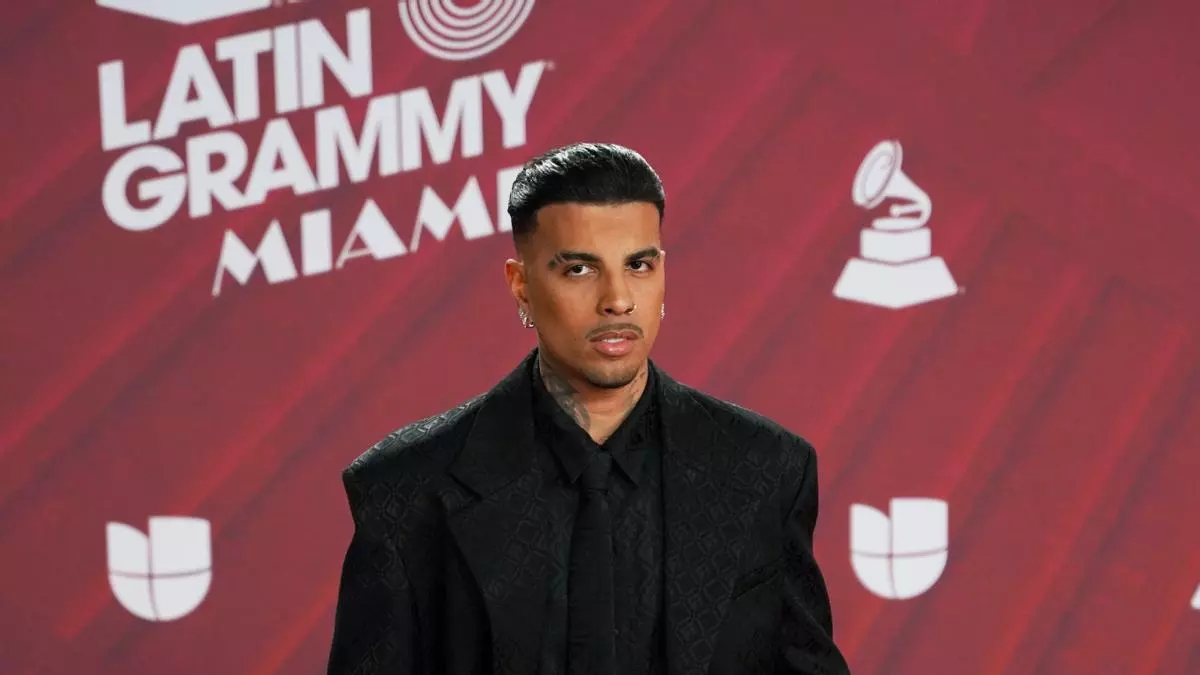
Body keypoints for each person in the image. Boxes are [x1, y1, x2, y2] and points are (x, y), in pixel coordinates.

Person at [326, 142, 851, 675]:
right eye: (580, 269)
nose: (618, 300)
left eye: (638, 265)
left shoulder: (765, 469)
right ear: (521, 287)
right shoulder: (405, 488)